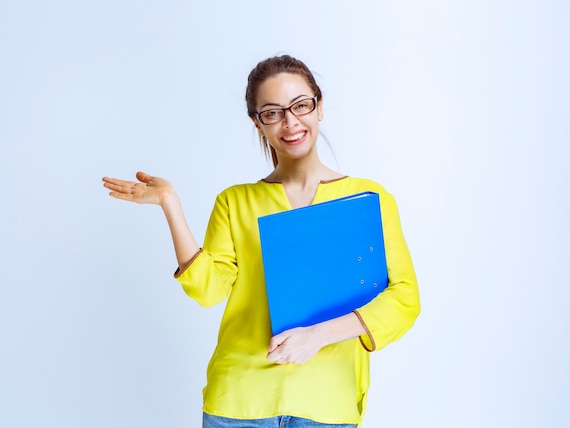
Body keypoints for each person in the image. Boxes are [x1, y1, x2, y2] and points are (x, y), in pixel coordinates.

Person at [102, 55, 420, 428]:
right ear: (258, 123)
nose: (290, 122)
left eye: (301, 105)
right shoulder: (235, 202)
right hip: (239, 404)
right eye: (272, 112)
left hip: (326, 404)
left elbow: (403, 299)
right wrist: (170, 205)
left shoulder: (370, 199)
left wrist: (316, 336)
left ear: (319, 107)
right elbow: (207, 290)